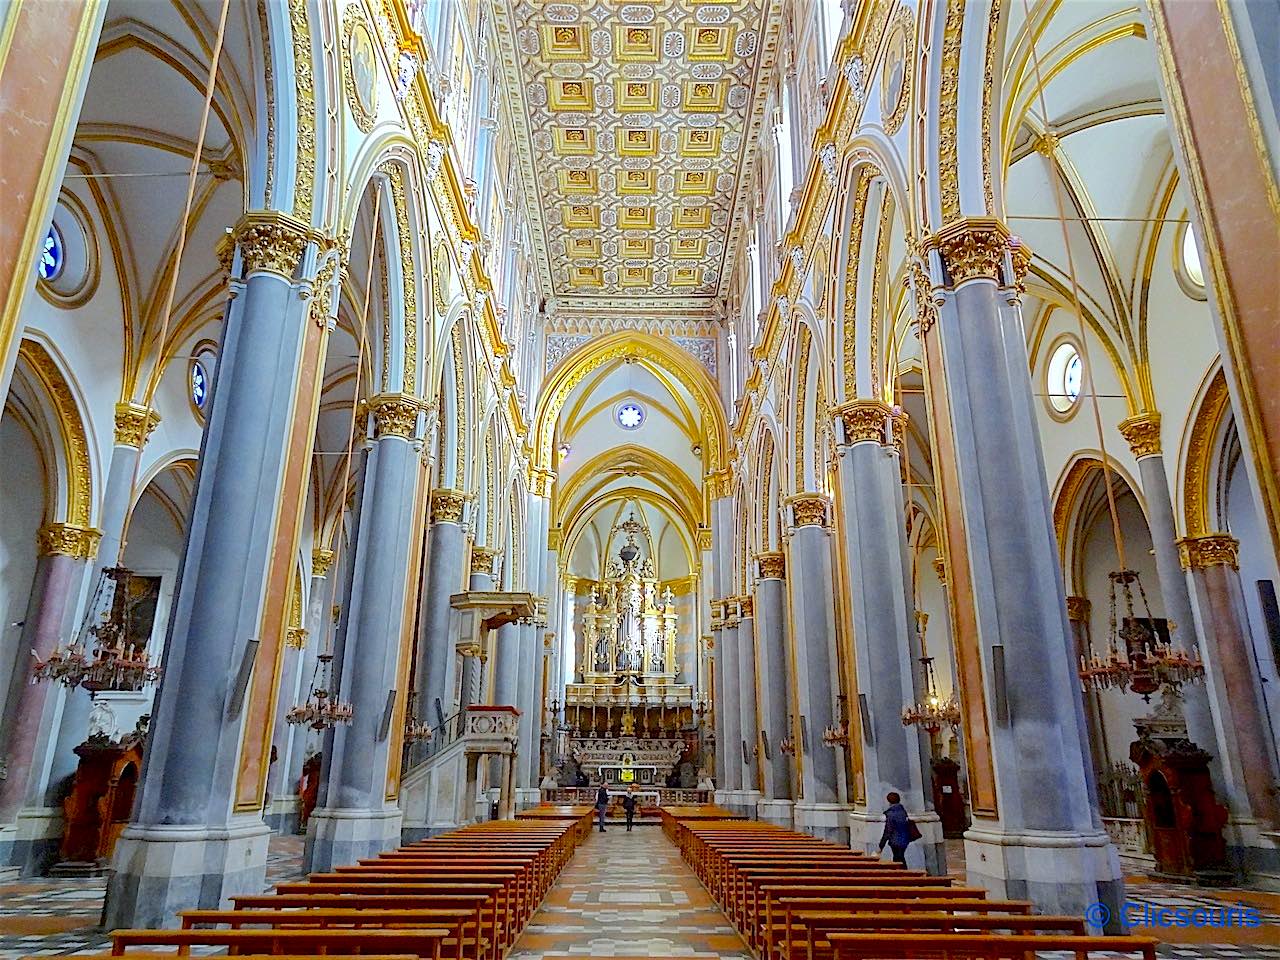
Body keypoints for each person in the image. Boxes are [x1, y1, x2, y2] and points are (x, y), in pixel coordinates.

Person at [877, 791, 918, 864]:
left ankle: (903, 874)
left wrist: (881, 845)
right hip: (905, 839)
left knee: (898, 859)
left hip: (895, 840)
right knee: (899, 857)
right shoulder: (902, 811)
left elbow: (888, 831)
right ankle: (903, 872)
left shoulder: (891, 814)